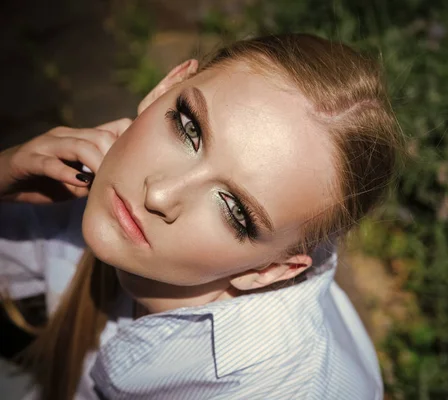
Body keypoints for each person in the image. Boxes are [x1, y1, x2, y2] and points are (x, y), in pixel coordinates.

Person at [0, 33, 401, 399]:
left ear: (271, 270)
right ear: (165, 87)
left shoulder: (277, 390)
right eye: (189, 128)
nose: (159, 193)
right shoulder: (91, 186)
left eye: (234, 210)